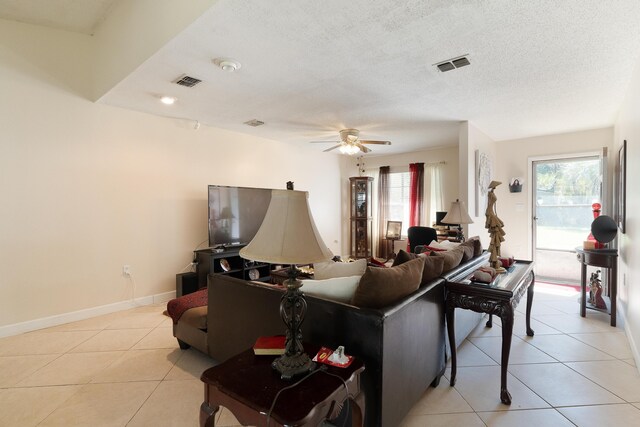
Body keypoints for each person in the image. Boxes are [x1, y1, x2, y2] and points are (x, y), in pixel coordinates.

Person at [485, 180, 506, 271]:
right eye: (495, 186)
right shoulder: (490, 194)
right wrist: (490, 216)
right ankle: (494, 260)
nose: (496, 187)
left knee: (497, 234)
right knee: (496, 234)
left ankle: (494, 260)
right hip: (490, 213)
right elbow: (489, 205)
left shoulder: (491, 193)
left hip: (492, 213)